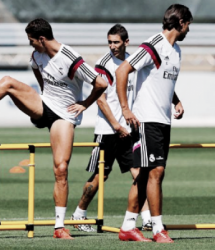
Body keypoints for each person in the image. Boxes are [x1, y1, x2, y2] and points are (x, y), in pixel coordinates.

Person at [0, 18, 107, 239]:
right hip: (43, 105)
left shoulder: (69, 57)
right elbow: (38, 74)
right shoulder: (36, 56)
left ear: (42, 39)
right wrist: (41, 97)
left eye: (32, 41)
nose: (30, 45)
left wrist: (84, 104)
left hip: (63, 115)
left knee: (61, 168)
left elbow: (101, 83)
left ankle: (59, 227)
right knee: (7, 82)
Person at [116, 4, 192, 243]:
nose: (189, 29)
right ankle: (158, 229)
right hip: (146, 119)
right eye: (188, 24)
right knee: (156, 172)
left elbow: (162, 81)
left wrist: (176, 100)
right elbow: (122, 71)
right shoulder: (153, 45)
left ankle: (128, 227)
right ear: (180, 23)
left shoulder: (176, 50)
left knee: (147, 174)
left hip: (162, 120)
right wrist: (126, 109)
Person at [70, 24, 152, 233]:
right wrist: (116, 125)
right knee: (100, 176)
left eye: (116, 42)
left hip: (129, 129)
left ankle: (147, 218)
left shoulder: (133, 61)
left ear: (126, 42)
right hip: (107, 130)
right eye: (110, 42)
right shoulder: (103, 64)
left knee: (139, 173)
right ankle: (79, 214)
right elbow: (101, 100)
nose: (113, 46)